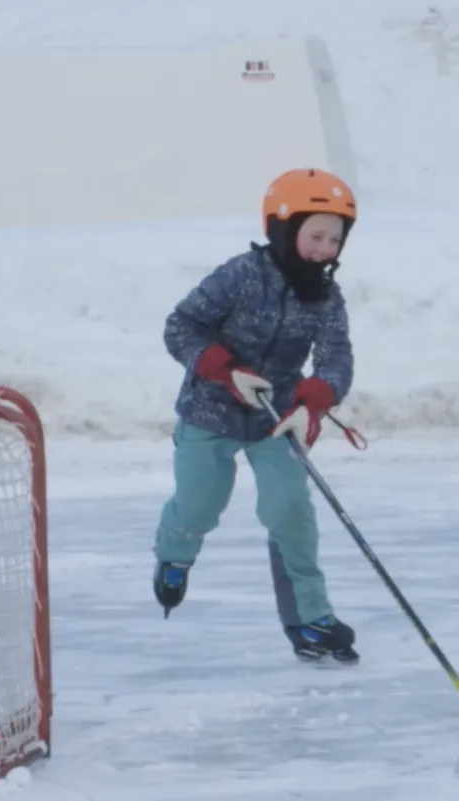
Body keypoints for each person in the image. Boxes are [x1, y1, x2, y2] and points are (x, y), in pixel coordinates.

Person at [153, 167, 360, 665]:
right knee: (201, 505)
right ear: (284, 230)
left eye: (335, 239)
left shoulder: (326, 296)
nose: (325, 249)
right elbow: (181, 326)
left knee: (290, 512)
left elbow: (336, 357)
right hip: (211, 409)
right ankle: (175, 554)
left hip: (277, 416)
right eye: (316, 236)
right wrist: (226, 371)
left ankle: (310, 617)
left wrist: (313, 402)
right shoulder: (241, 275)